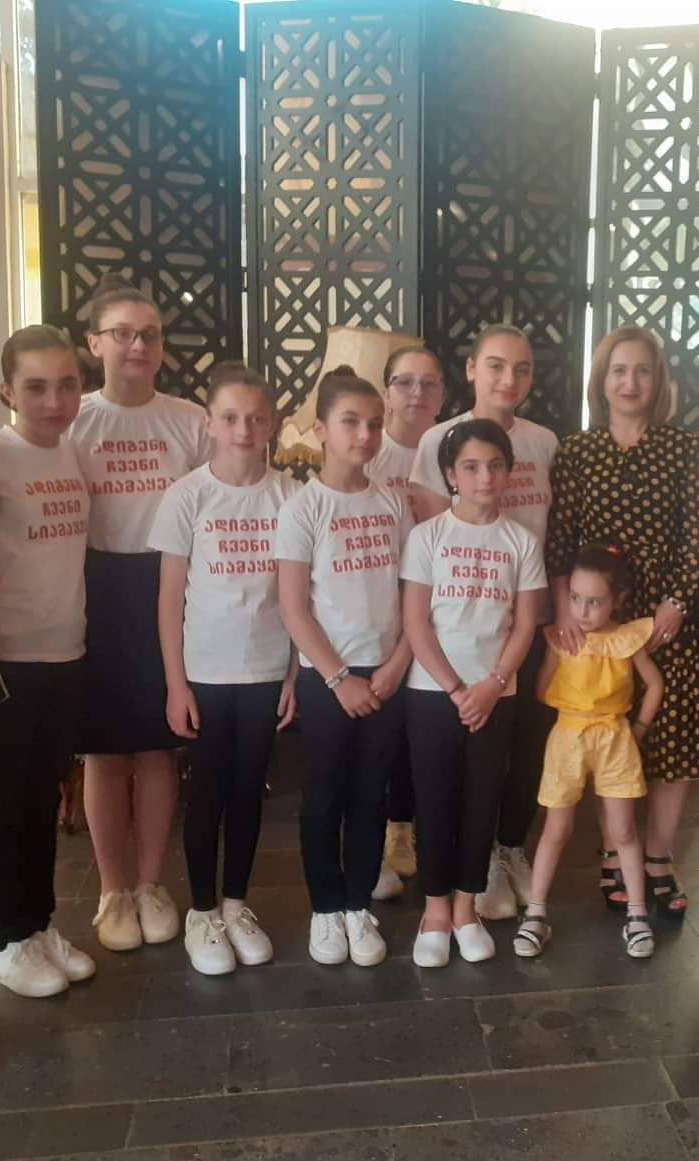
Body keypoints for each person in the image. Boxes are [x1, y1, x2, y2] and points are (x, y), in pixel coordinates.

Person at [0, 325, 98, 998]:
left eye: (67, 385)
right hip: (1, 658)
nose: (54, 400)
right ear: (7, 390)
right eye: (36, 387)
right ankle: (6, 941)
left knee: (40, 797)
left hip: (64, 652)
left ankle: (38, 925)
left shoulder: (74, 451)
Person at [546, 326, 699, 919]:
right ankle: (616, 853)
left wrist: (676, 602)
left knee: (669, 743)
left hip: (666, 623)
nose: (630, 382)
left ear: (657, 380)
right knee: (605, 735)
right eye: (619, 370)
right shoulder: (577, 451)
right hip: (597, 624)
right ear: (602, 379)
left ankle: (659, 856)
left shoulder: (683, 449)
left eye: (642, 370)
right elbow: (560, 541)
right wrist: (568, 614)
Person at [67, 274, 210, 954]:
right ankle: (112, 888)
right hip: (95, 585)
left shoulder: (190, 419)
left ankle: (152, 884)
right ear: (94, 342)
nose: (137, 345)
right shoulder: (73, 417)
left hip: (168, 584)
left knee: (158, 745)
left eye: (149, 334)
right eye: (122, 333)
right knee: (104, 749)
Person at [149, 363, 297, 976]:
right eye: (231, 417)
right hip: (206, 674)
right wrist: (175, 683)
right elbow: (169, 600)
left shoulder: (291, 495)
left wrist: (293, 675)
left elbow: (302, 596)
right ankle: (203, 910)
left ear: (273, 424)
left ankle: (236, 902)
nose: (244, 430)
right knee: (207, 792)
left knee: (248, 790)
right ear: (209, 423)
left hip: (267, 670)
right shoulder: (187, 495)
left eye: (256, 418)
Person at [409, 326, 557, 920]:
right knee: (456, 769)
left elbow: (553, 526)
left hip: (525, 624)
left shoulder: (544, 441)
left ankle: (505, 849)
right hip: (457, 632)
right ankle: (458, 879)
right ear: (471, 369)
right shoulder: (438, 440)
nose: (508, 379)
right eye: (496, 365)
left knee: (521, 751)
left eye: (522, 368)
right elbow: (439, 532)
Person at [277, 367, 412, 967]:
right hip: (328, 680)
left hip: (386, 676)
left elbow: (412, 595)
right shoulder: (303, 508)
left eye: (374, 424)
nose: (364, 435)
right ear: (321, 429)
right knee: (323, 796)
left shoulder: (392, 502)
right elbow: (293, 607)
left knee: (370, 796)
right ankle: (326, 908)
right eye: (350, 422)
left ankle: (359, 904)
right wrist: (338, 679)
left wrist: (397, 664)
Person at [401, 419, 545, 966]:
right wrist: (457, 687)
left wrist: (492, 685)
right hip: (432, 692)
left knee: (482, 800)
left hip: (495, 695)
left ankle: (466, 909)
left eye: (495, 465)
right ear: (450, 475)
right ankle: (435, 911)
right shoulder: (427, 537)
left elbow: (524, 625)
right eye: (471, 466)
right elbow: (416, 622)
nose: (484, 477)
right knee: (435, 800)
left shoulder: (521, 541)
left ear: (508, 472)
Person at [514, 543, 662, 960]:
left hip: (615, 737)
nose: (582, 610)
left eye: (595, 602)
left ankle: (637, 914)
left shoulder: (627, 639)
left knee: (624, 830)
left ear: (618, 600)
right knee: (555, 828)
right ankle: (535, 913)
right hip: (568, 737)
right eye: (576, 599)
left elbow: (655, 684)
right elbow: (542, 689)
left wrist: (638, 729)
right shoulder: (561, 639)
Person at [365, 345, 445, 900]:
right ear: (386, 390)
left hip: (442, 609)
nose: (416, 393)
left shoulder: (451, 449)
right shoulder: (368, 450)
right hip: (378, 613)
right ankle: (373, 839)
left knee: (424, 733)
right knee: (381, 737)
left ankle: (406, 826)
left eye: (428, 383)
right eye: (403, 382)